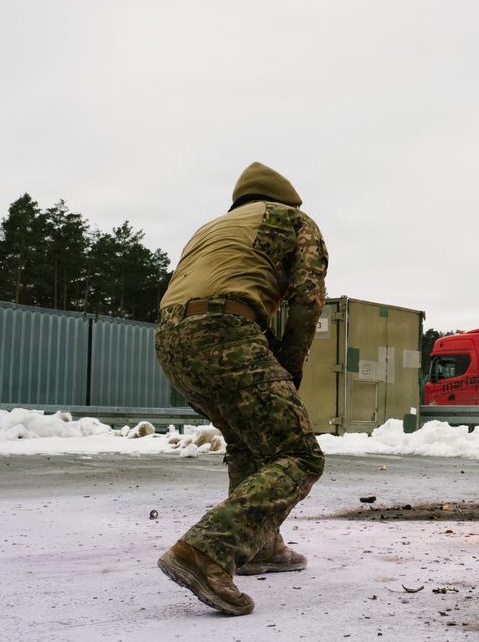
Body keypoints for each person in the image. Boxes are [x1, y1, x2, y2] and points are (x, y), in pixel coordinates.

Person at [153, 161, 328, 616]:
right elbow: (308, 299)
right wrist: (288, 370)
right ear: (287, 197)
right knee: (299, 453)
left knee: (247, 442)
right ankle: (205, 551)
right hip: (225, 330)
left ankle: (264, 547)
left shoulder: (213, 228)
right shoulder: (293, 220)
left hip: (170, 338)